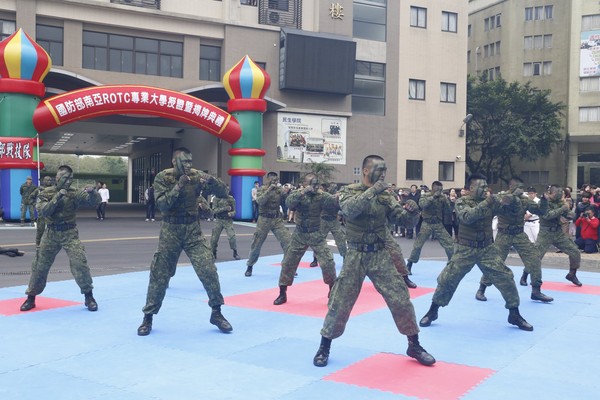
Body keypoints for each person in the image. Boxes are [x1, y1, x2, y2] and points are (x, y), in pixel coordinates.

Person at [313, 155, 435, 368]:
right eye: (379, 170)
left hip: (380, 254)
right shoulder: (350, 191)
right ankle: (325, 346)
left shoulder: (386, 197)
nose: (383, 175)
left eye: (385, 171)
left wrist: (414, 212)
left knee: (400, 298)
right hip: (356, 255)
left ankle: (413, 344)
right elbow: (350, 210)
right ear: (366, 171)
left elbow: (403, 220)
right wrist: (374, 191)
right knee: (340, 302)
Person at [419, 173, 534, 332]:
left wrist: (512, 199)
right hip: (465, 249)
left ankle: (514, 313)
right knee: (447, 279)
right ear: (471, 188)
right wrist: (488, 201)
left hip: (487, 249)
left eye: (486, 186)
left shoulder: (491, 202)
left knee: (506, 278)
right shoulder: (462, 202)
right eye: (482, 186)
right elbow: (468, 217)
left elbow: (510, 210)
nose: (486, 189)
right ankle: (433, 311)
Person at [136, 147, 232, 336]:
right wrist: (179, 186)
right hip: (170, 230)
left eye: (190, 161)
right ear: (174, 162)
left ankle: (217, 312)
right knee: (159, 274)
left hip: (192, 231)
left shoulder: (197, 176)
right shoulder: (163, 177)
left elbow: (223, 192)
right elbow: (162, 204)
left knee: (208, 269)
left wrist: (211, 180)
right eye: (184, 161)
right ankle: (148, 317)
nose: (188, 165)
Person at [20, 165, 101, 312]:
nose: (69, 181)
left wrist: (93, 192)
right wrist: (59, 196)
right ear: (58, 178)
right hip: (51, 233)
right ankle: (31, 297)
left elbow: (94, 203)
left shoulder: (74, 193)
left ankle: (89, 296)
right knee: (40, 265)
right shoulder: (47, 193)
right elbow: (44, 211)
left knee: (79, 262)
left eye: (71, 178)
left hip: (69, 232)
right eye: (66, 178)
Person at [474, 177, 552, 303]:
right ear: (512, 187)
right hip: (504, 235)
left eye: (523, 187)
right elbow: (503, 202)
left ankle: (536, 290)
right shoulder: (501, 196)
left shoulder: (524, 200)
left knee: (534, 259)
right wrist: (512, 195)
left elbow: (540, 211)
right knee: (495, 263)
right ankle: (482, 288)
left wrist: (544, 200)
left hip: (519, 234)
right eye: (519, 187)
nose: (522, 190)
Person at [273, 174, 337, 305]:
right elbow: (289, 203)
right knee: (288, 263)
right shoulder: (298, 194)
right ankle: (282, 293)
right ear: (305, 183)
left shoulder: (322, 195)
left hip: (316, 234)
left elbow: (334, 203)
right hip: (300, 234)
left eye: (316, 184)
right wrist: (303, 192)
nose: (315, 187)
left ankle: (332, 291)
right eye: (312, 184)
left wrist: (338, 197)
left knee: (328, 262)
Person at [533, 184, 583, 287]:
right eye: (557, 193)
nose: (560, 195)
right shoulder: (543, 202)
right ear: (551, 193)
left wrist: (570, 212)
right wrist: (563, 208)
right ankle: (525, 274)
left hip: (558, 232)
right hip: (545, 233)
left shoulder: (560, 202)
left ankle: (572, 274)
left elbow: (569, 215)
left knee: (575, 251)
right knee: (536, 256)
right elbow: (547, 215)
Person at [244, 172, 292, 277]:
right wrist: (269, 190)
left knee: (288, 242)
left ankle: (288, 267)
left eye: (276, 180)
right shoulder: (261, 189)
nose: (275, 182)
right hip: (264, 219)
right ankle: (250, 266)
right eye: (273, 180)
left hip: (276, 219)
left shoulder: (279, 191)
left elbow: (289, 201)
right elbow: (260, 201)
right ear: (268, 180)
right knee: (256, 244)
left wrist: (287, 192)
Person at [406, 181, 454, 274]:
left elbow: (448, 211)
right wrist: (433, 197)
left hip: (438, 224)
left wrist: (447, 201)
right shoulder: (426, 195)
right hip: (427, 223)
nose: (439, 191)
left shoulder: (442, 198)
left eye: (441, 189)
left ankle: (451, 264)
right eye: (438, 189)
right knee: (418, 246)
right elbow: (422, 204)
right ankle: (409, 264)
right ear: (433, 189)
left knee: (449, 244)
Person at [309, 183, 347, 268]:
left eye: (334, 188)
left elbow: (342, 208)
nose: (333, 189)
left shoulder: (339, 198)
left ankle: (345, 259)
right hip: (323, 220)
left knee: (340, 240)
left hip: (334, 220)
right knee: (318, 240)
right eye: (331, 188)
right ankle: (315, 259)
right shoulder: (323, 197)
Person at [210, 189, 241, 260]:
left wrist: (231, 213)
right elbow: (214, 211)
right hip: (219, 220)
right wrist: (225, 208)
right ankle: (213, 252)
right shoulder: (216, 199)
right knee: (214, 238)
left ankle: (235, 252)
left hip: (228, 220)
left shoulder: (231, 199)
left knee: (232, 237)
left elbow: (234, 211)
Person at [30, 176, 54, 248]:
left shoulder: (53, 189)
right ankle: (38, 242)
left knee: (52, 228)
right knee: (41, 228)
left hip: (51, 211)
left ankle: (50, 242)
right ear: (44, 181)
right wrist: (34, 204)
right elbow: (31, 197)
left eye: (50, 180)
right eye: (47, 180)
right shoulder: (39, 190)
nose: (49, 181)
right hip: (42, 212)